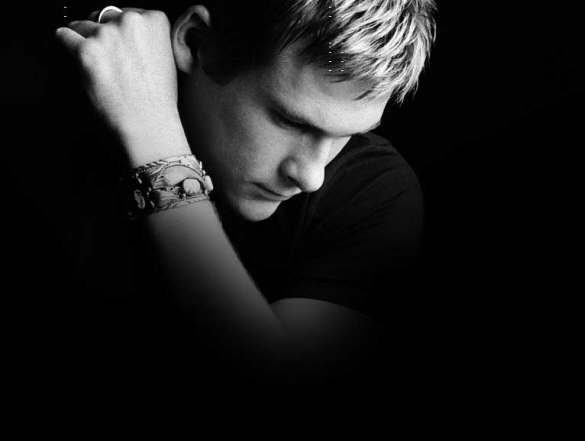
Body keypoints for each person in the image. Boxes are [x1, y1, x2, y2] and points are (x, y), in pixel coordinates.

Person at [53, 0, 436, 388]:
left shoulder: (375, 193)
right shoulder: (51, 132)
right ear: (197, 42)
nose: (310, 176)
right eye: (289, 121)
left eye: (348, 135)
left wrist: (154, 136)